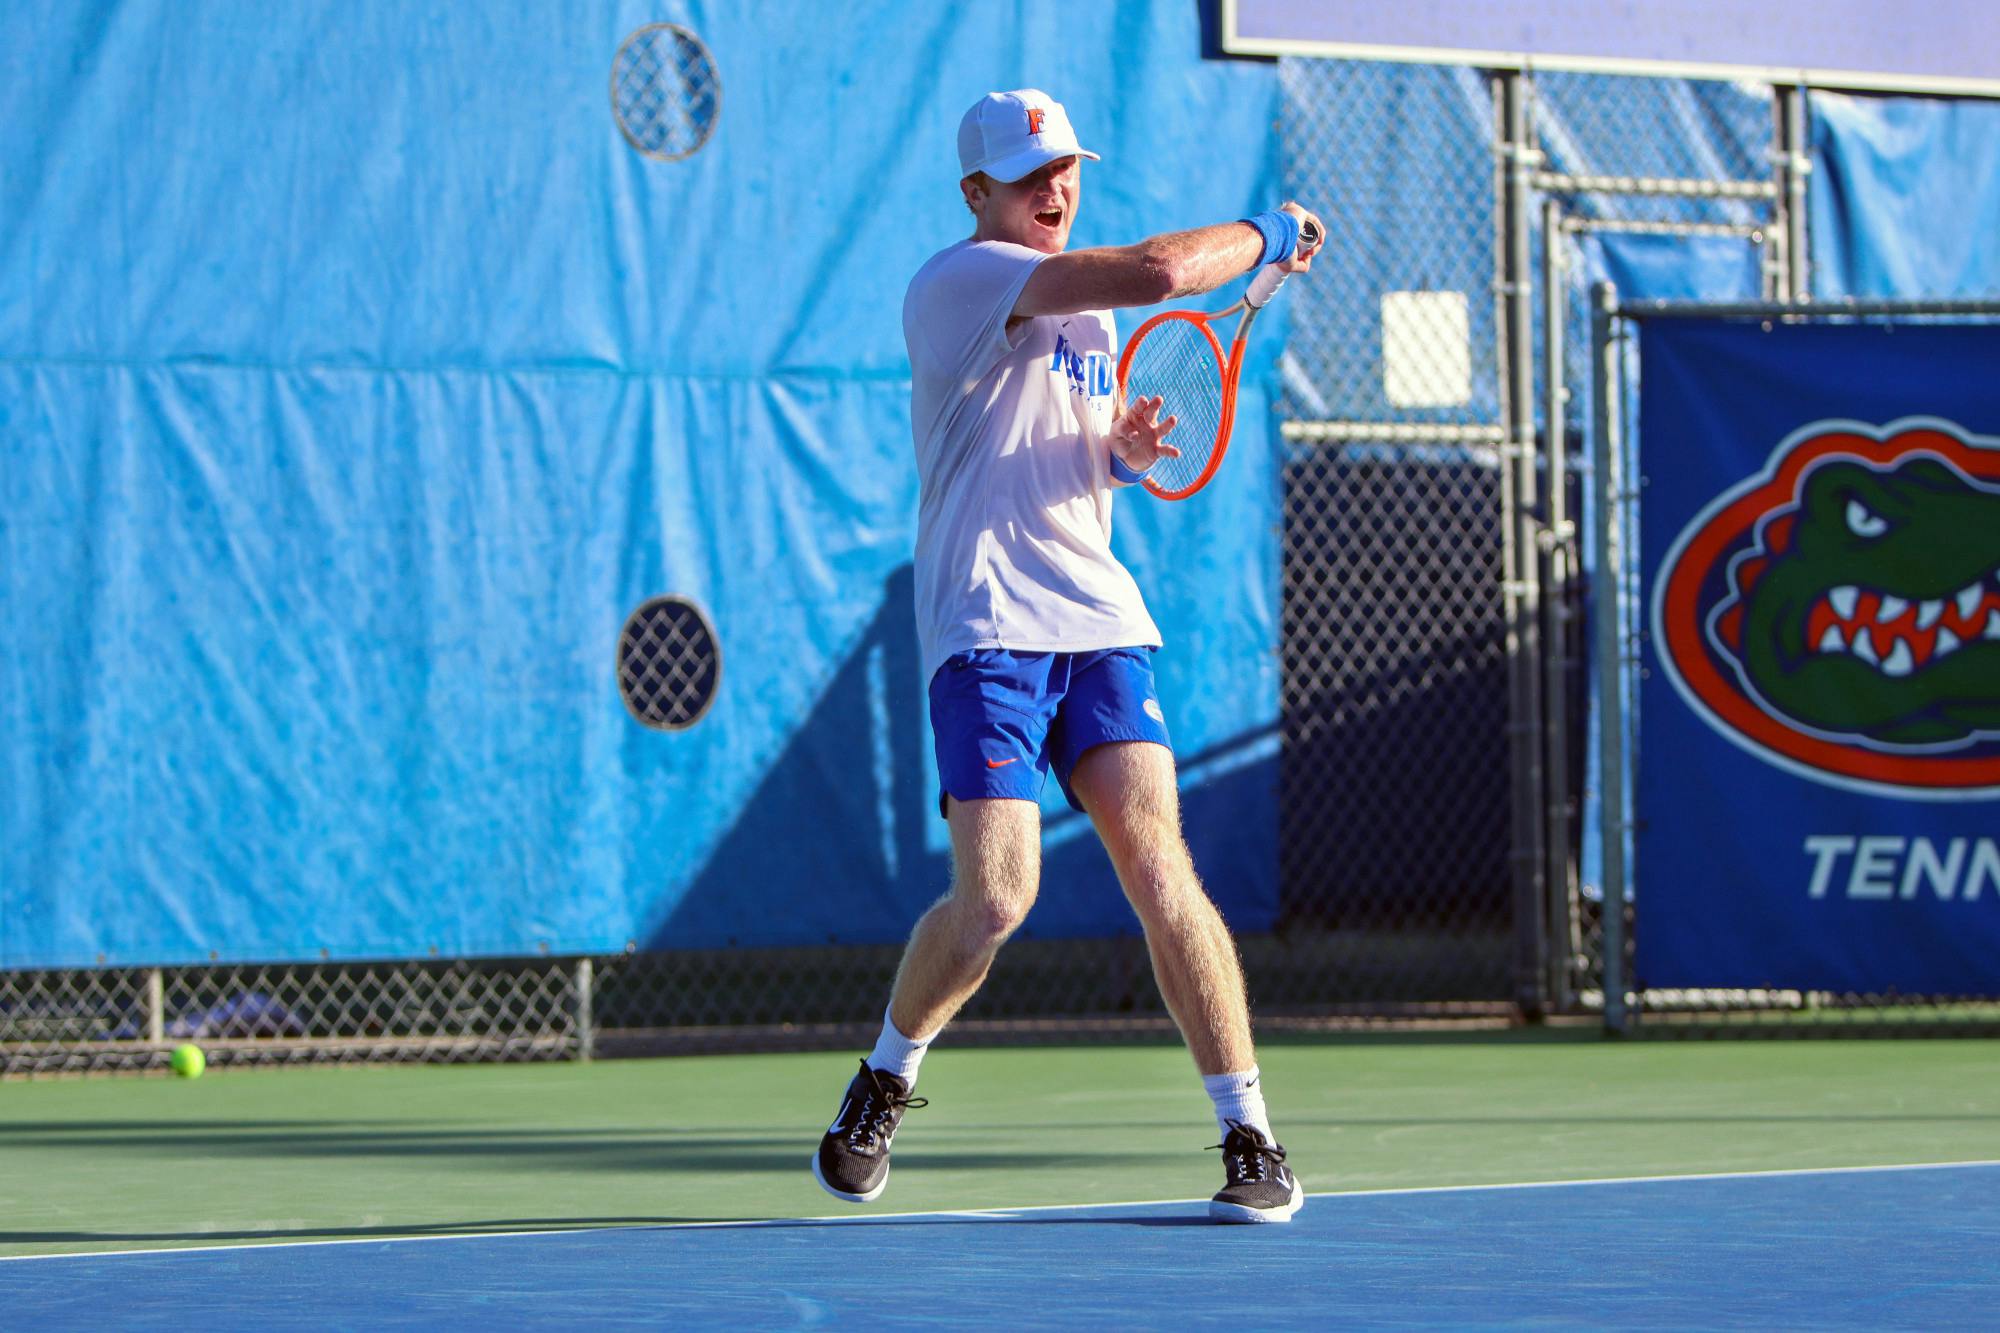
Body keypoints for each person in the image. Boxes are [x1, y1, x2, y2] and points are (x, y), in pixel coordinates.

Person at [811, 89, 1321, 1224]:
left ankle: (1249, 1134)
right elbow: (1150, 273)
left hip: (1096, 621)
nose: (1054, 187)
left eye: (1065, 168)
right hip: (986, 626)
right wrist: (1265, 238)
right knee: (995, 900)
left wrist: (1122, 457)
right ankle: (885, 1074)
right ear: (975, 193)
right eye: (1029, 172)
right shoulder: (959, 281)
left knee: (1158, 867)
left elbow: (1064, 468)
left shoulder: (1076, 323)